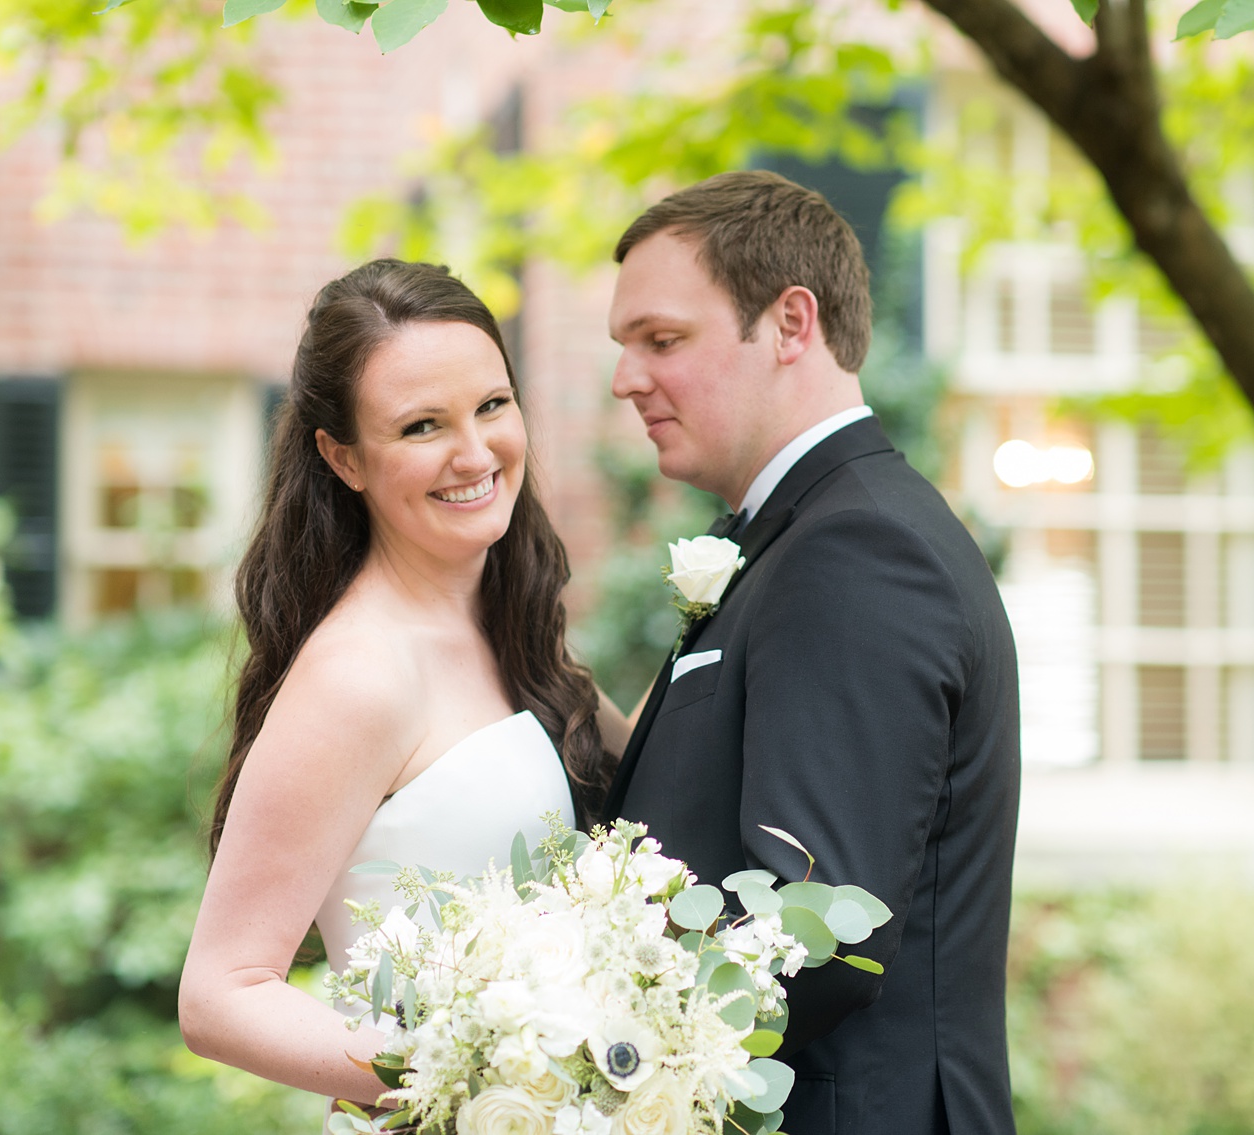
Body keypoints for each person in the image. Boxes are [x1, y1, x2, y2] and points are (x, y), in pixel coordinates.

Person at [604, 170, 1022, 1135]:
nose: (627, 379)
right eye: (624, 347)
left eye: (661, 340)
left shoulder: (857, 551)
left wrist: (583, 1049)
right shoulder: (801, 535)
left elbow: (815, 935)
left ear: (793, 323)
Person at [178, 260, 626, 1105]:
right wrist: (473, 1083)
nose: (475, 451)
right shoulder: (359, 673)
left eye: (492, 405)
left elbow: (659, 766)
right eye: (422, 425)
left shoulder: (511, 627)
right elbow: (219, 994)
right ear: (344, 458)